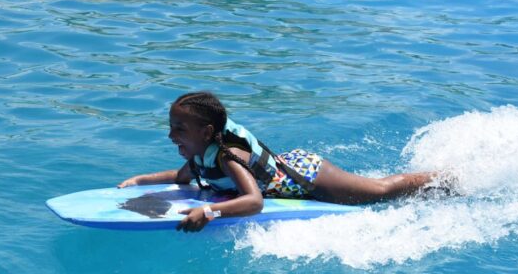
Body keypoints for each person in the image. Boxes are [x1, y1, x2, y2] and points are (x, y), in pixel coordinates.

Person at [118, 91, 440, 232]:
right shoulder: (203, 155)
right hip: (285, 168)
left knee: (378, 192)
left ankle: (440, 181)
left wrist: (211, 211)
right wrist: (140, 180)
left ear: (205, 132)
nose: (170, 135)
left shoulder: (229, 158)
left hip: (304, 176)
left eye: (179, 129)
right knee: (374, 191)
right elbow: (180, 177)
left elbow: (254, 202)